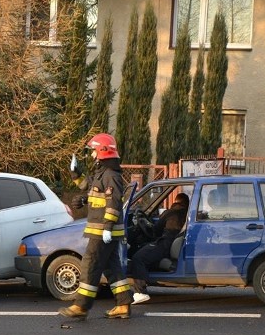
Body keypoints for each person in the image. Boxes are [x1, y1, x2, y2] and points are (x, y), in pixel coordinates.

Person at [58, 133, 133, 320]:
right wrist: (76, 175)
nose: (91, 155)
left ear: (102, 151)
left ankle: (81, 306)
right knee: (112, 266)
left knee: (90, 264)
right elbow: (89, 187)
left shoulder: (111, 176)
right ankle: (123, 304)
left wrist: (107, 227)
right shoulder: (103, 174)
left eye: (93, 151)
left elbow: (114, 203)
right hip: (100, 230)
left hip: (103, 231)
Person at [130, 192, 190, 304]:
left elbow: (155, 230)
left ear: (175, 201)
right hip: (173, 244)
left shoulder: (171, 212)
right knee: (147, 252)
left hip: (165, 244)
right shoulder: (187, 213)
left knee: (138, 258)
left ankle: (140, 291)